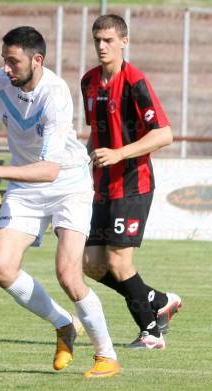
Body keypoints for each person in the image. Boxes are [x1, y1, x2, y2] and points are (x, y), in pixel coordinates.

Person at [0, 26, 120, 378]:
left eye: (14, 61)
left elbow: (50, 170)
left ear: (37, 60)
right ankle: (64, 324)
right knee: (0, 267)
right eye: (4, 61)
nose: (6, 68)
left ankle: (106, 356)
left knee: (69, 275)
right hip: (26, 184)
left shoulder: (55, 95)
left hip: (67, 183)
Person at [81, 14, 181, 350]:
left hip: (133, 184)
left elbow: (164, 134)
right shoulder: (89, 82)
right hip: (102, 185)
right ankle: (158, 298)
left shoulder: (136, 81)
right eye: (97, 40)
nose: (101, 46)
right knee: (91, 265)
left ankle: (150, 331)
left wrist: (120, 153)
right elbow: (96, 133)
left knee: (119, 263)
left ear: (124, 41)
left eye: (108, 40)